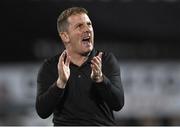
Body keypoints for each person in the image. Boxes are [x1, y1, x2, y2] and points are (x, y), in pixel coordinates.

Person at [35, 7, 124, 126]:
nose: (87, 29)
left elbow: (118, 104)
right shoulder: (51, 66)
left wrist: (100, 79)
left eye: (89, 24)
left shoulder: (106, 60)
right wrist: (60, 83)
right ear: (65, 36)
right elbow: (42, 111)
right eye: (79, 26)